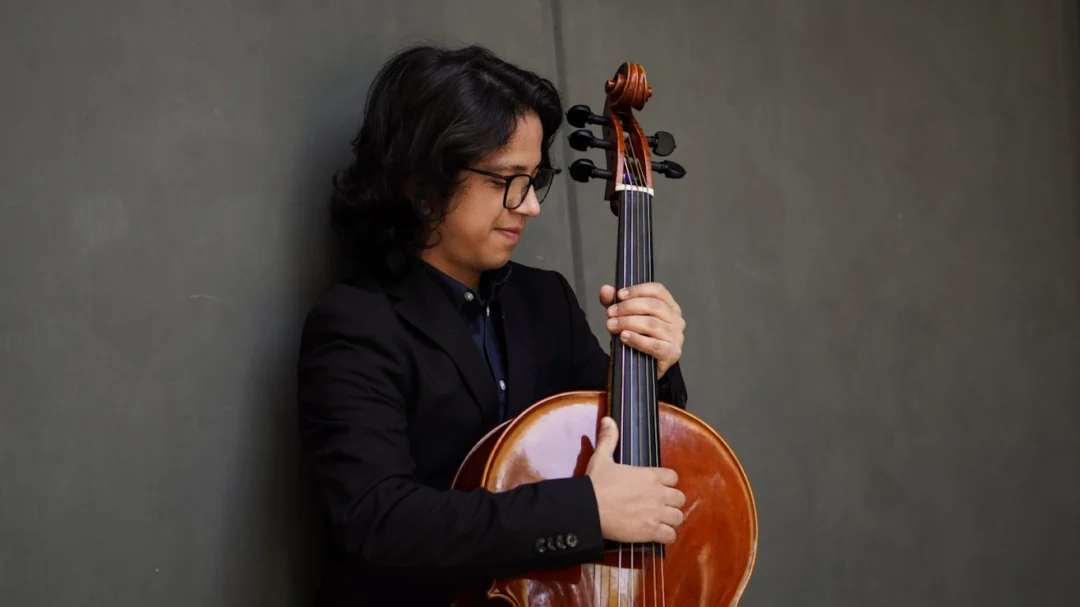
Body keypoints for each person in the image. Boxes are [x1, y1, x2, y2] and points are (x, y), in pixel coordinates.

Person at [296, 44, 690, 606]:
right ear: (422, 183)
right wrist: (587, 510)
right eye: (508, 180)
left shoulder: (544, 301)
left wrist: (655, 364)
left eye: (535, 179)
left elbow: (629, 458)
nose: (529, 205)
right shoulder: (357, 325)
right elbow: (378, 519)